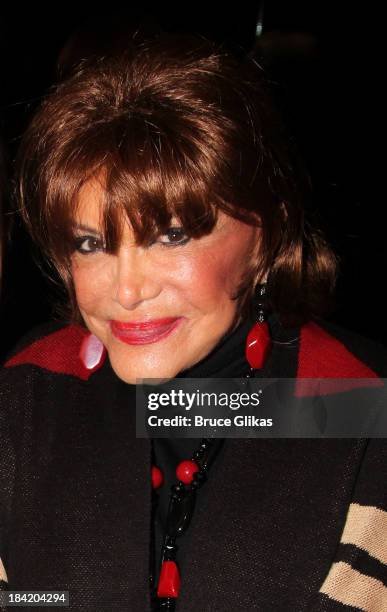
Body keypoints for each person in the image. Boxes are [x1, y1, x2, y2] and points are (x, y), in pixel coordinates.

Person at [1, 32, 386, 611]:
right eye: (91, 243)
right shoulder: (28, 392)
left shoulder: (359, 409)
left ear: (265, 235)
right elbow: (30, 598)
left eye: (172, 235)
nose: (126, 291)